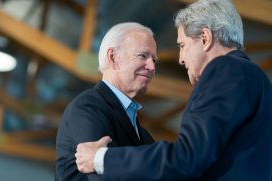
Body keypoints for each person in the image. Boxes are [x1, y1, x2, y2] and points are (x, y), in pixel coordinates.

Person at [75, 0, 272, 180]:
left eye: (182, 45)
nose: (180, 58)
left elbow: (187, 157)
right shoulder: (258, 81)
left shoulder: (224, 69)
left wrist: (101, 158)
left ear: (205, 38)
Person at [55, 22, 158, 180]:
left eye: (154, 60)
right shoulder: (88, 107)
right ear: (113, 57)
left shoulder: (142, 134)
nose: (151, 66)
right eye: (143, 56)